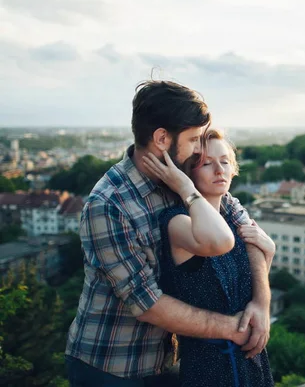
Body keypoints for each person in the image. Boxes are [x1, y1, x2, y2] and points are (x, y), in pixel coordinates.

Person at [65, 80, 273, 386]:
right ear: (162, 138)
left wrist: (261, 303)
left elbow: (246, 230)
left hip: (169, 361)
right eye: (192, 139)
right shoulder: (108, 205)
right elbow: (147, 304)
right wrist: (233, 328)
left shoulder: (184, 176)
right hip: (112, 364)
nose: (197, 150)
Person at [143, 129, 275, 386]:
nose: (219, 170)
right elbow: (218, 240)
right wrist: (185, 188)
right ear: (188, 172)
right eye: (206, 163)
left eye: (225, 161)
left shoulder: (233, 217)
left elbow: (244, 286)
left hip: (251, 362)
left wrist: (267, 256)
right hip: (209, 369)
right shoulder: (177, 222)